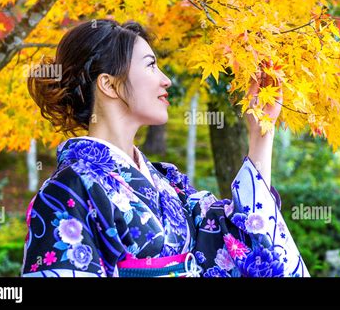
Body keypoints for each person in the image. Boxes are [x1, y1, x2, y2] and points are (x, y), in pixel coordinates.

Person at [21, 19, 310, 277]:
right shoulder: (66, 191)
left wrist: (261, 132)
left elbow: (240, 234)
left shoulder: (169, 183)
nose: (166, 79)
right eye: (150, 65)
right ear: (109, 85)